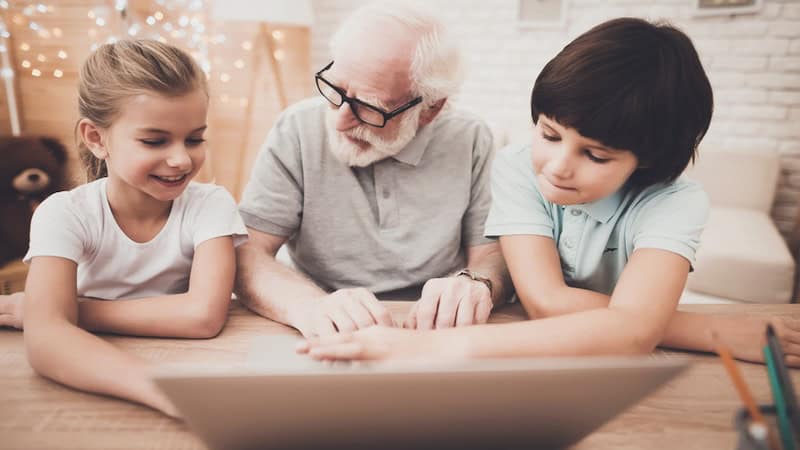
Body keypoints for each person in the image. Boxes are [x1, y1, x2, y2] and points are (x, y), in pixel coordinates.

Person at [299, 18, 800, 365]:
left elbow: (632, 334)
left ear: (644, 158)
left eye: (596, 155)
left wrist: (643, 324)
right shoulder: (520, 166)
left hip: (614, 363)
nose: (558, 168)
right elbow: (544, 301)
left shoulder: (675, 202)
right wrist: (707, 330)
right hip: (545, 349)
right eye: (550, 134)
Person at [0, 40, 247, 416]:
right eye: (154, 140)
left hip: (201, 361)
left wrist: (64, 312)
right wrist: (166, 391)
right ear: (97, 138)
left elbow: (202, 317)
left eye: (195, 139)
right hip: (97, 378)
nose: (181, 159)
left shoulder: (211, 204)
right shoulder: (63, 213)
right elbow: (47, 340)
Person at [235, 2, 511, 338]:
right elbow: (247, 253)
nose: (339, 120)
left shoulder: (471, 138)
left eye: (367, 108)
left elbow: (492, 253)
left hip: (433, 329)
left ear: (430, 109)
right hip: (320, 319)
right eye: (336, 90)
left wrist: (476, 283)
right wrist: (311, 307)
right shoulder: (296, 128)